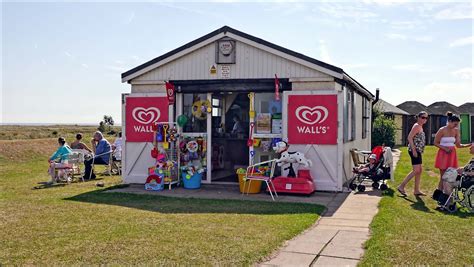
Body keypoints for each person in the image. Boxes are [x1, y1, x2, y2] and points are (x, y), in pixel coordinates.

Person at [433, 112, 471, 193]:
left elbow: (458, 145)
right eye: (455, 124)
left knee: (449, 176)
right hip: (443, 154)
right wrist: (445, 148)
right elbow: (435, 143)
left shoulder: (456, 131)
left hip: (452, 155)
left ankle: (445, 193)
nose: (456, 126)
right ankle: (439, 193)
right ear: (449, 121)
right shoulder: (442, 130)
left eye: (457, 124)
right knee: (443, 176)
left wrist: (469, 145)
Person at [397, 111, 429, 196]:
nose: (424, 119)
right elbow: (409, 137)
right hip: (414, 150)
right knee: (416, 170)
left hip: (418, 151)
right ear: (418, 117)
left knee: (419, 170)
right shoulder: (417, 126)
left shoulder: (420, 126)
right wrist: (414, 150)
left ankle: (416, 190)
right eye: (423, 117)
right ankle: (401, 186)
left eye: (426, 118)